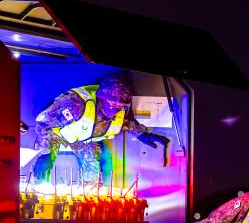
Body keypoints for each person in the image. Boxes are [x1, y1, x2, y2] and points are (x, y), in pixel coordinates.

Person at [32, 72, 169, 185]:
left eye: (120, 106)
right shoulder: (75, 104)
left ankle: (84, 204)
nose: (117, 110)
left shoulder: (119, 112)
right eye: (114, 105)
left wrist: (142, 135)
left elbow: (127, 122)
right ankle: (37, 191)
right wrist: (46, 153)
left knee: (91, 171)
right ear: (102, 99)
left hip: (83, 140)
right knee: (43, 168)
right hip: (56, 136)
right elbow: (43, 122)